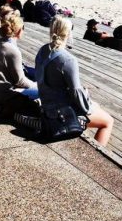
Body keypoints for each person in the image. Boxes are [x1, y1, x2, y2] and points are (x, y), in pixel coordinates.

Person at [26, 17, 114, 146]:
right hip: (60, 111)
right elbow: (76, 92)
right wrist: (87, 100)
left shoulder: (43, 50)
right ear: (68, 33)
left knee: (96, 107)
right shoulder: (67, 59)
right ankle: (98, 150)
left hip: (45, 102)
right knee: (108, 121)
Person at [0, 14, 38, 117]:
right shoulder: (12, 50)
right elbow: (20, 81)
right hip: (1, 97)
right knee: (43, 91)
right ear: (19, 31)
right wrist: (37, 85)